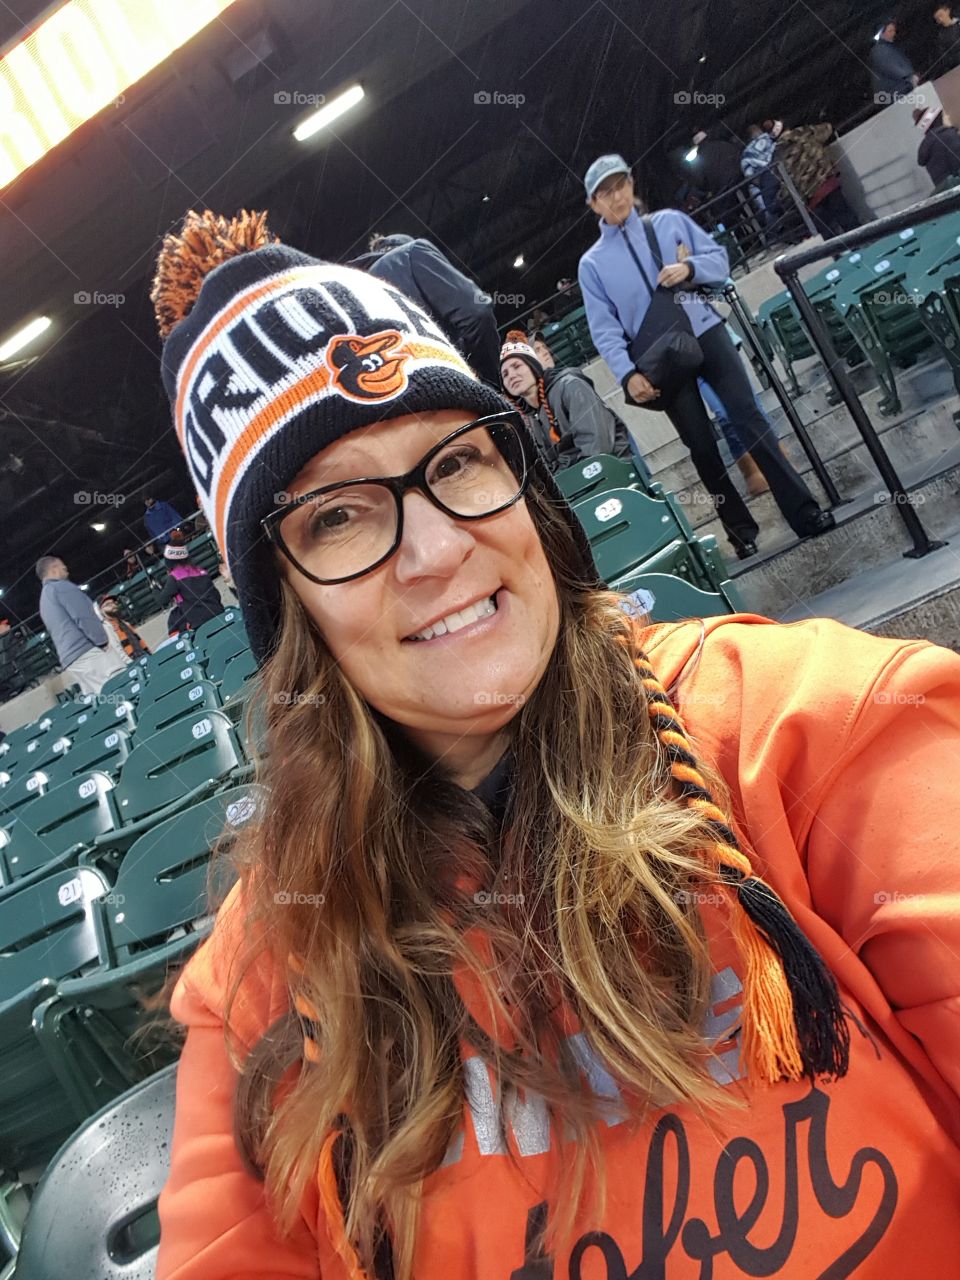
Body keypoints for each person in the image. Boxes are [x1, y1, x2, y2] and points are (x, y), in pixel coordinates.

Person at [151, 209, 960, 1280]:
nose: (437, 549)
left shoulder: (812, 728)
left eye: (458, 461)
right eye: (337, 518)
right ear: (287, 609)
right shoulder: (263, 971)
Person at [577, 154, 834, 558]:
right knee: (701, 446)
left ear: (631, 184)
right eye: (604, 192)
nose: (616, 197)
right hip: (660, 356)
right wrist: (626, 373)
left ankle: (804, 512)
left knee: (749, 418)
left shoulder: (668, 222)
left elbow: (718, 260)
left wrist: (690, 269)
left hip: (705, 331)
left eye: (620, 185)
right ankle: (740, 532)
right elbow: (604, 328)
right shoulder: (591, 265)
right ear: (594, 204)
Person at [350, 232, 501, 385]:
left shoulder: (353, 290)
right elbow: (477, 313)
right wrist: (489, 383)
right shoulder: (411, 252)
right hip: (451, 382)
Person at [500, 330, 637, 473]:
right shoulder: (530, 417)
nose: (512, 375)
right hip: (579, 480)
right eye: (505, 374)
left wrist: (573, 482)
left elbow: (597, 447)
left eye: (517, 366)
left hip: (612, 473)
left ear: (533, 366)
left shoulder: (571, 386)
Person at [36, 556, 127, 695]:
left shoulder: (44, 599)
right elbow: (83, 617)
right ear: (53, 569)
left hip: (71, 660)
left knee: (104, 700)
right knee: (122, 686)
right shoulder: (61, 587)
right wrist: (102, 641)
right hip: (88, 651)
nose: (65, 568)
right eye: (62, 566)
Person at [770, 120, 861, 240]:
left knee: (828, 230)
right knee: (845, 217)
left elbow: (782, 180)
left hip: (809, 196)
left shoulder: (777, 156)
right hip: (826, 182)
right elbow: (827, 129)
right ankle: (862, 241)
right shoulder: (804, 132)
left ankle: (841, 249)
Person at [155, 538, 224, 634]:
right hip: (220, 615)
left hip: (200, 626)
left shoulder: (175, 577)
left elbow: (162, 600)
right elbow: (217, 595)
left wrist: (155, 589)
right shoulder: (202, 571)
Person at [740, 123, 785, 232]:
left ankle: (777, 231)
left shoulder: (746, 154)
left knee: (769, 211)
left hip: (765, 184)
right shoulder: (770, 139)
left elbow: (749, 176)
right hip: (779, 175)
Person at [871, 19, 920, 101]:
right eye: (890, 31)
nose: (893, 33)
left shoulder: (889, 47)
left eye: (894, 30)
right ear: (881, 34)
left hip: (901, 90)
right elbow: (890, 67)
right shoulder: (879, 50)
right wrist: (909, 77)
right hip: (895, 93)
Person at [915, 106, 960, 186]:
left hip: (947, 191)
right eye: (941, 116)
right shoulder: (948, 136)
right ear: (937, 120)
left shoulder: (926, 147)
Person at [97, 594, 151, 660]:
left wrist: (149, 654)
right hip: (132, 663)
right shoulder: (106, 628)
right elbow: (118, 653)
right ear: (101, 610)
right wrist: (131, 663)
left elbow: (139, 641)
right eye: (108, 604)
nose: (113, 605)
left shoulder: (124, 623)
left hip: (143, 656)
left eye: (113, 603)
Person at [933, 4, 960, 74]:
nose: (940, 19)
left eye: (941, 15)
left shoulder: (958, 22)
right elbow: (945, 58)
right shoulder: (941, 36)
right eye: (937, 18)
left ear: (947, 11)